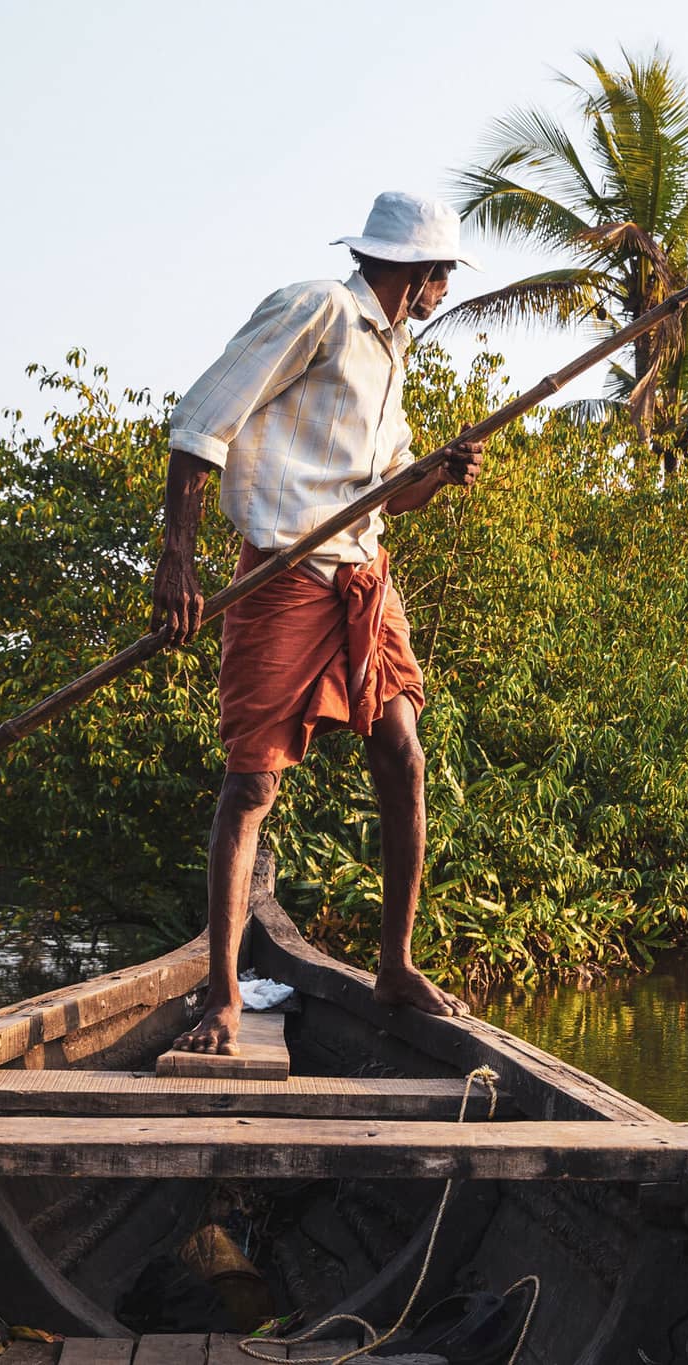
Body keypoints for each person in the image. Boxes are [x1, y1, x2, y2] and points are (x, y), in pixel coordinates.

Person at [153, 191, 484, 1055]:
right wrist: (177, 560)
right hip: (281, 574)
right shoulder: (319, 309)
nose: (445, 289)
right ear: (413, 272)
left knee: (403, 753)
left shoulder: (392, 353)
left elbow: (384, 490)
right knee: (252, 782)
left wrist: (438, 473)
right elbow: (200, 425)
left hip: (362, 576)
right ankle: (223, 995)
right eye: (441, 273)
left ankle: (396, 962)